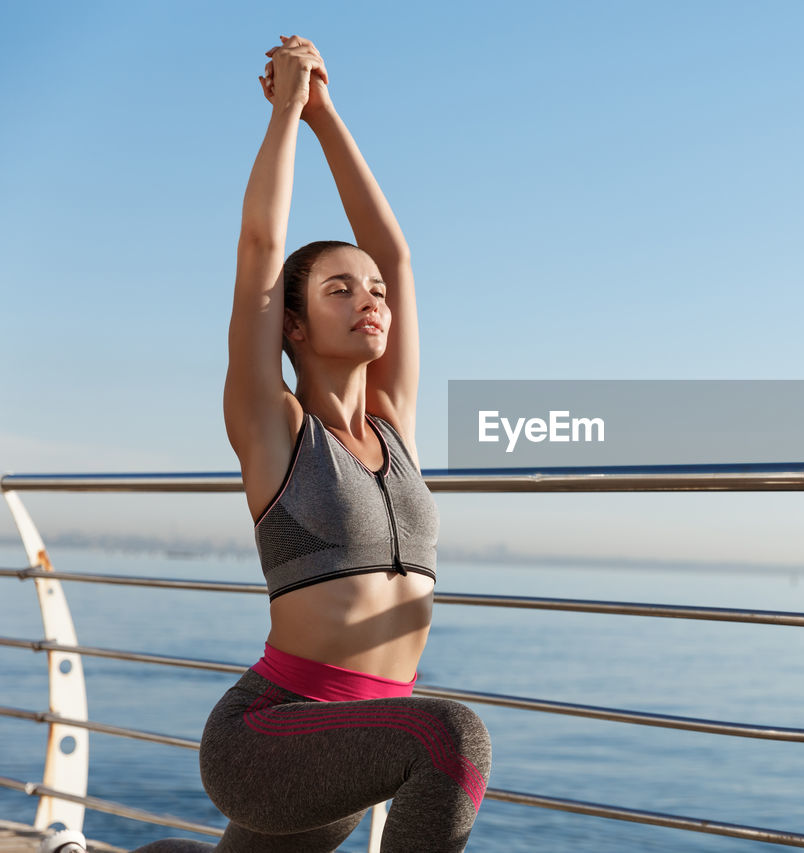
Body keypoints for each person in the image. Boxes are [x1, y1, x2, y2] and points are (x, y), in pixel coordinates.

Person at [43, 35, 491, 853]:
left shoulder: (394, 424)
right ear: (291, 322)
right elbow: (258, 253)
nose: (371, 298)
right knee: (450, 738)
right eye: (339, 288)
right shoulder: (274, 423)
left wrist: (329, 114)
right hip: (270, 733)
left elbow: (397, 253)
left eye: (376, 292)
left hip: (348, 737)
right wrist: (287, 110)